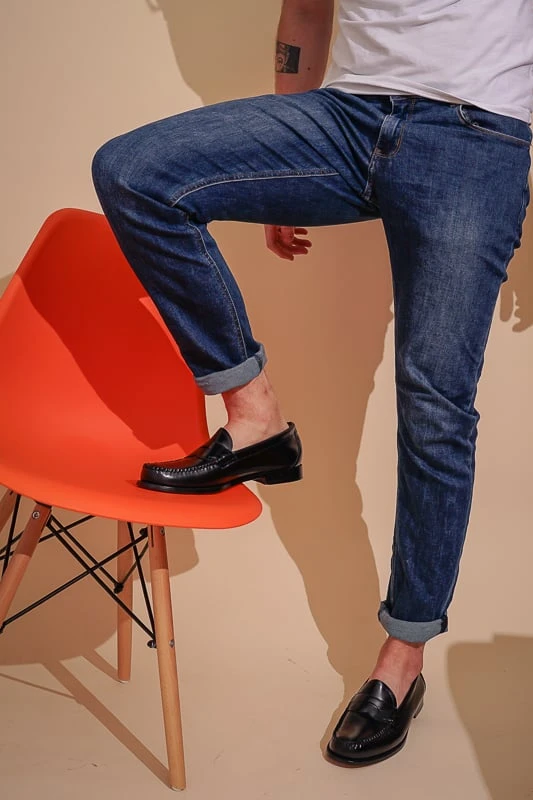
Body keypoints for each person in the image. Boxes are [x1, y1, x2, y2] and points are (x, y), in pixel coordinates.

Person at [92, 0, 532, 768]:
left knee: (434, 408)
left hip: (475, 134)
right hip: (343, 118)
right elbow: (304, 11)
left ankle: (400, 661)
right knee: (135, 171)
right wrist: (277, 178)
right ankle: (254, 419)